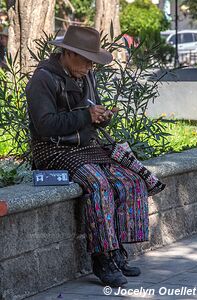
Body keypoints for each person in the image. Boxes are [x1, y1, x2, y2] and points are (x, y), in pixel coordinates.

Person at [26, 25, 149, 287]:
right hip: (54, 150)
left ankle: (116, 250)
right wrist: (86, 116)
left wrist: (101, 117)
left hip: (85, 148)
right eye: (86, 60)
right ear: (68, 54)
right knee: (98, 184)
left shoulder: (86, 76)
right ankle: (102, 257)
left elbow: (90, 112)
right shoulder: (43, 79)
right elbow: (45, 125)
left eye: (93, 62)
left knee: (130, 180)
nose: (90, 67)